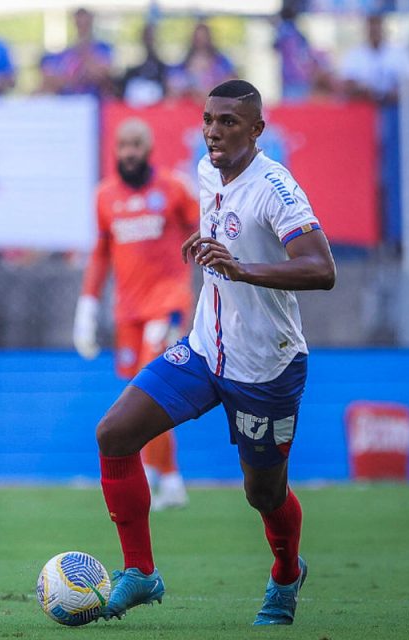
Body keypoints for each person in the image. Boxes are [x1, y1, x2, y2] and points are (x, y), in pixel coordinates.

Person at [93, 79, 335, 626]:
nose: (213, 131)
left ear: (257, 129)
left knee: (263, 493)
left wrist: (239, 268)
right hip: (204, 350)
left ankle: (286, 573)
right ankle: (140, 571)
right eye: (208, 120)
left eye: (228, 121)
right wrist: (206, 246)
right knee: (114, 433)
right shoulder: (206, 171)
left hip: (266, 367)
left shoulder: (276, 187)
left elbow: (322, 269)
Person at [74, 118, 196, 511]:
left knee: (151, 387)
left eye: (136, 145)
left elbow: (206, 230)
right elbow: (100, 255)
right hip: (128, 311)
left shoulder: (174, 188)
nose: (129, 153)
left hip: (167, 303)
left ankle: (158, 477)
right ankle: (170, 480)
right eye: (123, 145)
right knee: (137, 396)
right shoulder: (104, 196)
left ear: (149, 149)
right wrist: (87, 307)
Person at [341, 14, 409, 104]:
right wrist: (364, 91)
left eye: (378, 27)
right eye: (372, 28)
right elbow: (347, 84)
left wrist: (395, 93)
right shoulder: (353, 55)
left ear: (385, 29)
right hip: (365, 106)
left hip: (398, 107)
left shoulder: (402, 52)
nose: (375, 31)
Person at [50, 8, 114, 97]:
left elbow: (103, 75)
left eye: (85, 22)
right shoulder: (67, 52)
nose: (82, 26)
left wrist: (85, 52)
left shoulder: (103, 48)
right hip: (68, 98)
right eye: (79, 23)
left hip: (94, 98)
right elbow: (58, 78)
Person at [167, 22, 235, 101]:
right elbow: (173, 81)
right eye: (198, 38)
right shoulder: (186, 62)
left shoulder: (222, 62)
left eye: (203, 37)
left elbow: (232, 80)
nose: (201, 41)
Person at [272, 1, 322, 101]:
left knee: (292, 103)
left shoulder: (285, 30)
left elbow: (275, 46)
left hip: (291, 76)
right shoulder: (297, 32)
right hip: (299, 76)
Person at [120, 24, 169, 106]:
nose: (149, 40)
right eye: (146, 37)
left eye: (151, 37)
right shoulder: (132, 60)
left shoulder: (162, 66)